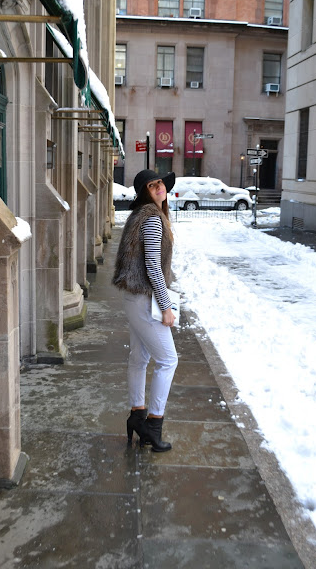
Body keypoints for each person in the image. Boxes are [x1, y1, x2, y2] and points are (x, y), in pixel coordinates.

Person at [113, 169, 178, 452]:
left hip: (135, 297)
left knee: (139, 358)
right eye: (152, 186)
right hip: (143, 299)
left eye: (160, 183)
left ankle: (137, 415)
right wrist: (166, 306)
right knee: (168, 360)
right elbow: (152, 265)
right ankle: (153, 423)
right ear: (145, 193)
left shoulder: (143, 215)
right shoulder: (152, 218)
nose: (159, 187)